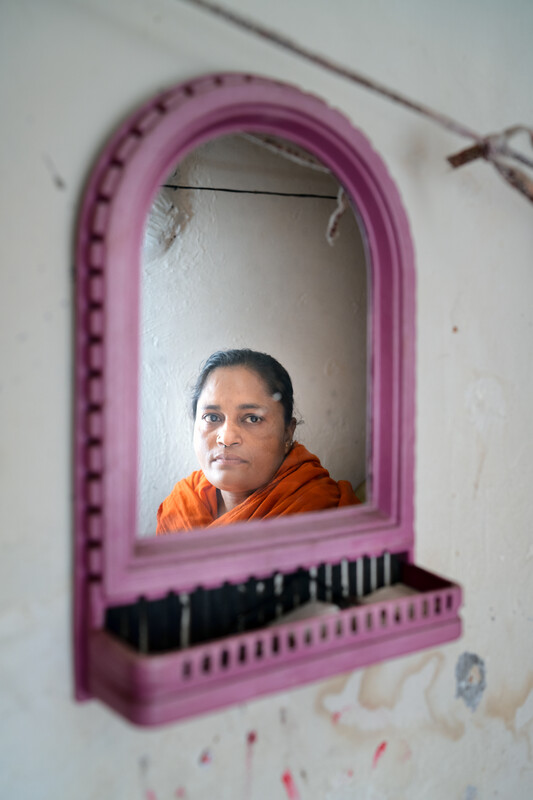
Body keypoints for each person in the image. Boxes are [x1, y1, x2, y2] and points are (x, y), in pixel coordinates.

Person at [156, 349, 359, 533]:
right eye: (212, 417)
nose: (226, 439)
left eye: (252, 418)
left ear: (288, 433)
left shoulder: (326, 516)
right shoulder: (178, 510)